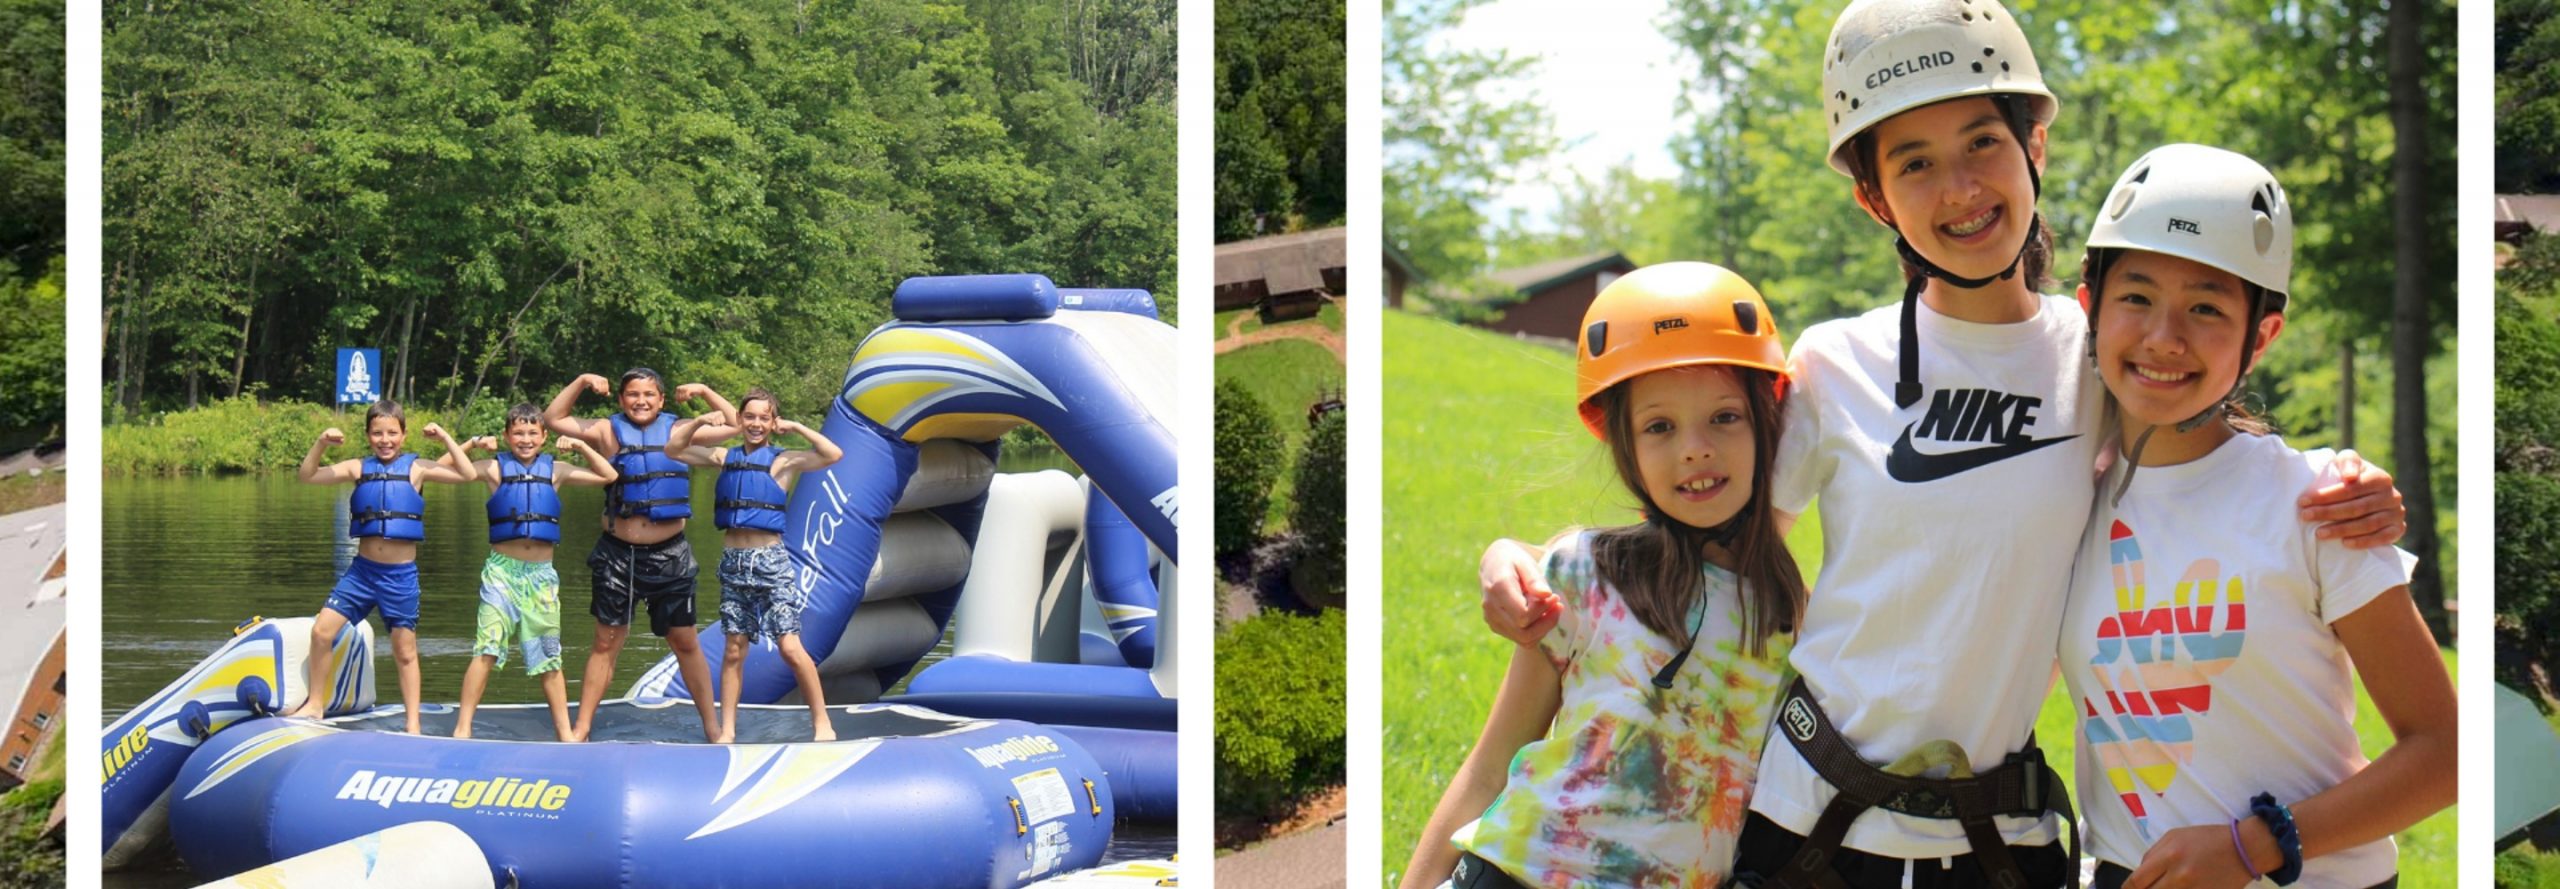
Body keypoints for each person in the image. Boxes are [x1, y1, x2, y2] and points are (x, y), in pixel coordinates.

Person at [1474, 2, 2410, 885]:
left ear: (2034, 145)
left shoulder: (2096, 361)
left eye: (1982, 144)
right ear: (1876, 197)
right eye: (1914, 163)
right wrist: (1523, 559)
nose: (1959, 189)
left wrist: (2346, 483)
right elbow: (1707, 535)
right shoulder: (1835, 364)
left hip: (2000, 840)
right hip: (1809, 822)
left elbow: (2199, 425)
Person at [2061, 144, 2454, 888]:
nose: (2163, 337)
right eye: (2137, 296)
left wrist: (2256, 845)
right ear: (2091, 305)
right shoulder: (2065, 500)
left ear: (2260, 337)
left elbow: (2445, 752)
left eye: (2206, 307)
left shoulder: (2318, 504)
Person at [1401, 263, 1806, 888]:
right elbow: (1489, 768)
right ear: (1626, 445)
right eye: (1660, 427)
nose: (1694, 448)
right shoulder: (1586, 576)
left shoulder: (1792, 621)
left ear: (1766, 422)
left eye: (1724, 417)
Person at [545, 369, 721, 742]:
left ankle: (713, 726)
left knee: (685, 641)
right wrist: (580, 382)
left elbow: (738, 424)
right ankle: (582, 728)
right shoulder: (607, 432)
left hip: (670, 555)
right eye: (632, 395)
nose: (640, 401)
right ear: (621, 399)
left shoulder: (680, 431)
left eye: (649, 395)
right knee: (606, 641)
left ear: (661, 400)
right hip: (617, 556)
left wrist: (704, 389)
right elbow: (553, 419)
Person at [282, 400, 477, 734]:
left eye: (392, 433)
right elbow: (308, 475)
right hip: (361, 572)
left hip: (399, 576)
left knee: (404, 651)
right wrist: (321, 443)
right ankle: (315, 704)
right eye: (377, 433)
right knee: (321, 631)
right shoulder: (358, 467)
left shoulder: (418, 468)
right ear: (368, 435)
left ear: (403, 435)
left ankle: (413, 723)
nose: (384, 439)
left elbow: (468, 473)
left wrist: (444, 437)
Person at [667, 387, 845, 742]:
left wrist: (795, 426)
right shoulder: (723, 456)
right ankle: (728, 730)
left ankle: (822, 723)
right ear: (739, 420)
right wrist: (701, 419)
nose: (756, 424)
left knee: (790, 648)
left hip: (770, 562)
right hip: (733, 563)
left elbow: (832, 453)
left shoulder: (784, 460)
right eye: (749, 417)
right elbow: (674, 448)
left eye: (764, 418)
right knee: (734, 648)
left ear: (773, 422)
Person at [445, 404, 620, 741]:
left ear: (544, 437)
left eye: (532, 434)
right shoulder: (492, 469)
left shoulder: (557, 470)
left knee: (549, 656)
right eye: (518, 433)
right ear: (508, 436)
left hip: (541, 576)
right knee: (487, 649)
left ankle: (566, 733)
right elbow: (441, 470)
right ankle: (463, 727)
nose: (525, 440)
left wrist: (583, 446)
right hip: (501, 573)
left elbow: (608, 476)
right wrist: (470, 444)